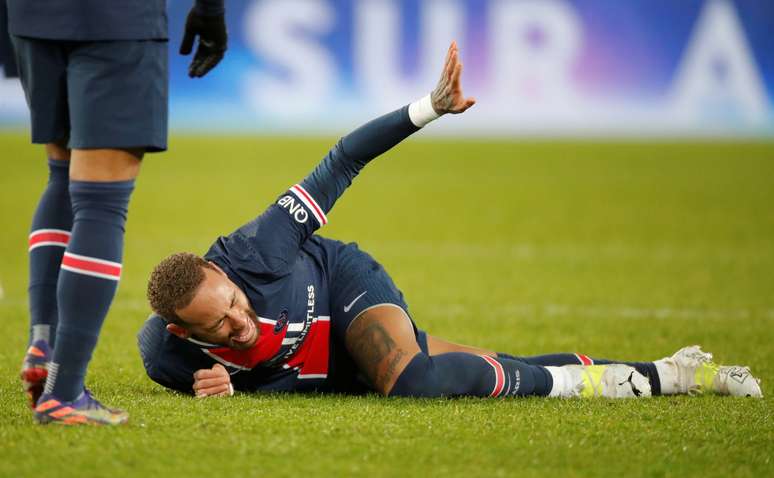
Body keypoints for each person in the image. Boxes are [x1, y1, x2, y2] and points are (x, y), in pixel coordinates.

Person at [138, 43, 762, 402]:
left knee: (412, 383)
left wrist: (427, 109)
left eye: (233, 301)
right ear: (182, 330)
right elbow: (203, 377)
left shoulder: (261, 247)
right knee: (490, 362)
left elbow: (343, 159)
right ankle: (672, 373)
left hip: (342, 288)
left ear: (224, 273)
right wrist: (215, 390)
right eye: (218, 325)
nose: (238, 319)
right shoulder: (165, 354)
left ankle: (582, 382)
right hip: (336, 366)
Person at [11, 0, 228, 425]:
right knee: (101, 201)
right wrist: (211, 10)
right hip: (116, 18)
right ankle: (64, 392)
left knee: (61, 172)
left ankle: (44, 342)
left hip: (31, 16)